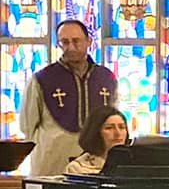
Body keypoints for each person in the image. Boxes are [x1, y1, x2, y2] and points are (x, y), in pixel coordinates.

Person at [23, 20, 118, 175]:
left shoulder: (106, 78)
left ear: (89, 41)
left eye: (76, 41)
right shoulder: (41, 79)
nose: (71, 47)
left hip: (95, 164)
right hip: (52, 162)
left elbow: (115, 121)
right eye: (64, 42)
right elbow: (27, 126)